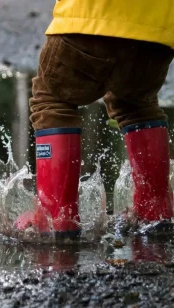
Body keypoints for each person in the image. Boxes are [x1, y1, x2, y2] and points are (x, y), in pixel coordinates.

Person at [17, 0, 174, 238]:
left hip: (91, 18)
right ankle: (155, 210)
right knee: (137, 105)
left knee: (52, 99)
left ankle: (55, 217)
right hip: (157, 35)